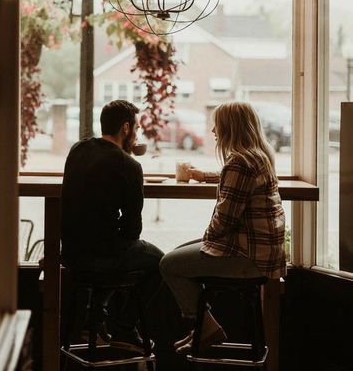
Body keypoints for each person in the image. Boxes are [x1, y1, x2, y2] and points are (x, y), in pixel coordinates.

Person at [159, 101, 286, 353]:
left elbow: (224, 221)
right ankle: (202, 327)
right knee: (180, 251)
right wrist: (204, 176)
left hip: (249, 257)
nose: (213, 130)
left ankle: (205, 326)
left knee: (169, 264)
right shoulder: (258, 156)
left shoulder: (239, 162)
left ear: (230, 128)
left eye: (217, 125)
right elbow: (234, 179)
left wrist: (207, 241)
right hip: (264, 253)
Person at [61, 99, 164, 348]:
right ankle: (125, 328)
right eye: (136, 128)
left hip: (73, 254)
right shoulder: (129, 165)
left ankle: (93, 317)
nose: (137, 134)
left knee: (113, 253)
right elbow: (132, 229)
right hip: (101, 255)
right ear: (126, 128)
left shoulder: (78, 150)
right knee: (161, 262)